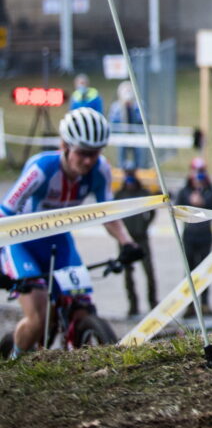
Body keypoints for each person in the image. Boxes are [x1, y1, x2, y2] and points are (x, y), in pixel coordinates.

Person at [0, 108, 143, 357]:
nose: (88, 161)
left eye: (95, 153)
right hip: (22, 243)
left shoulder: (100, 171)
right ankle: (13, 369)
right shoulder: (41, 168)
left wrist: (127, 243)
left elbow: (107, 214)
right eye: (82, 153)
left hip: (60, 242)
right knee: (39, 318)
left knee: (81, 306)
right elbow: (5, 213)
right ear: (64, 145)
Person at [175, 157, 212, 316]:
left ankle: (205, 304)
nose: (198, 175)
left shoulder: (211, 191)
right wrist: (190, 201)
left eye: (201, 171)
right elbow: (177, 209)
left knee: (205, 270)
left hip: (205, 235)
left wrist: (204, 202)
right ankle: (189, 305)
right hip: (189, 234)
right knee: (189, 270)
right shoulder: (184, 191)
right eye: (196, 171)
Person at [114, 170, 158, 317]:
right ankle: (133, 305)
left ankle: (153, 303)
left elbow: (152, 210)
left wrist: (145, 225)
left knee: (149, 272)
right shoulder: (119, 195)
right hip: (126, 240)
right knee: (128, 275)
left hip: (141, 239)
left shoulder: (143, 193)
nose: (130, 183)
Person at [108, 80, 146, 171]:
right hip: (122, 135)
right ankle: (121, 169)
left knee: (138, 152)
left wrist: (131, 108)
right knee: (121, 153)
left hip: (135, 135)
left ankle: (138, 170)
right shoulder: (116, 106)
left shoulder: (139, 105)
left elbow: (142, 120)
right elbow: (113, 121)